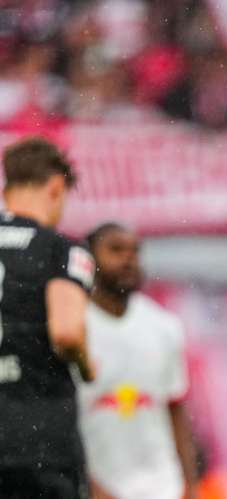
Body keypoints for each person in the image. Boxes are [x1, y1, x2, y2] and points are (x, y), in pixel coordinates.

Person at [0, 137, 96, 499]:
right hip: (39, 439)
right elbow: (68, 333)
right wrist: (88, 366)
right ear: (56, 188)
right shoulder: (59, 248)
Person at [78, 222, 198, 499]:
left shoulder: (164, 326)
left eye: (135, 251)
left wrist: (190, 487)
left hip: (164, 488)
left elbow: (176, 411)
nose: (128, 259)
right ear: (89, 260)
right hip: (98, 489)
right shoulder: (72, 330)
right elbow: (62, 421)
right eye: (116, 250)